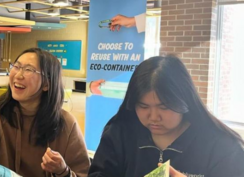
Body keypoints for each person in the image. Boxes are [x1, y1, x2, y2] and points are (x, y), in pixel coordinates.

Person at [88, 55, 244, 177]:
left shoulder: (222, 147)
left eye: (164, 107)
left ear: (185, 101)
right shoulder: (119, 134)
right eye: (143, 106)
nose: (154, 117)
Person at [0, 48, 90, 177]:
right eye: (16, 66)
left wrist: (63, 171)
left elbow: (82, 173)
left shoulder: (66, 123)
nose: (19, 75)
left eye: (29, 69)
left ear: (47, 83)